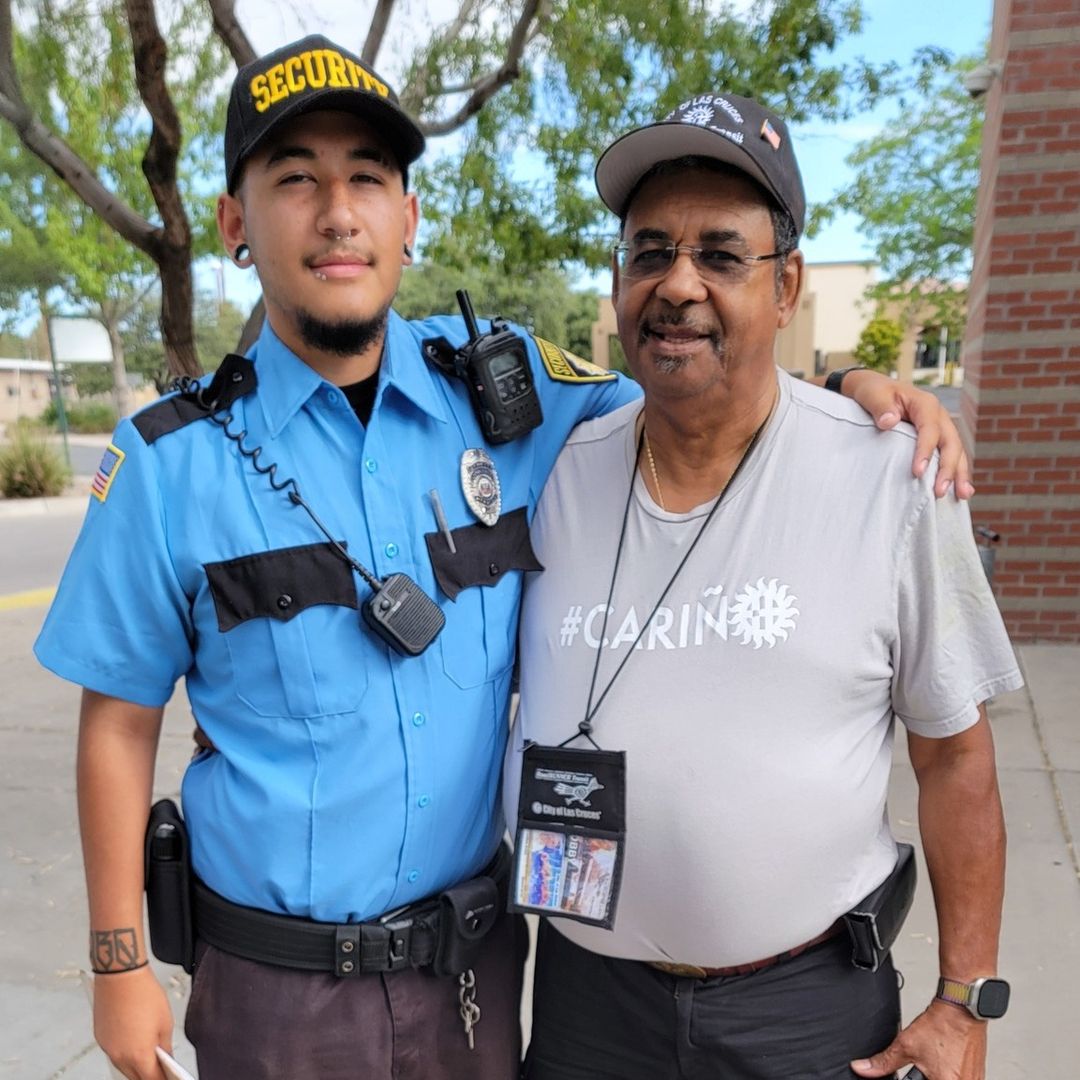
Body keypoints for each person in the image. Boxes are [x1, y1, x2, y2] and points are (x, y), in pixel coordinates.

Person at [35, 34, 971, 1080]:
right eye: (294, 180)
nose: (338, 212)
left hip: (471, 984)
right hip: (276, 994)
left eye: (369, 180)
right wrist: (118, 962)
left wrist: (849, 389)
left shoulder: (507, 397)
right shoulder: (168, 463)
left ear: (408, 218)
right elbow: (118, 724)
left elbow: (699, 377)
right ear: (234, 225)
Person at [505, 91, 1021, 1080]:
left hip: (803, 1011)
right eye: (649, 252)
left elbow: (957, 758)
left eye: (721, 255)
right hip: (585, 1004)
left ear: (786, 288)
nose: (679, 284)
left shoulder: (892, 480)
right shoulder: (558, 469)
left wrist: (968, 999)